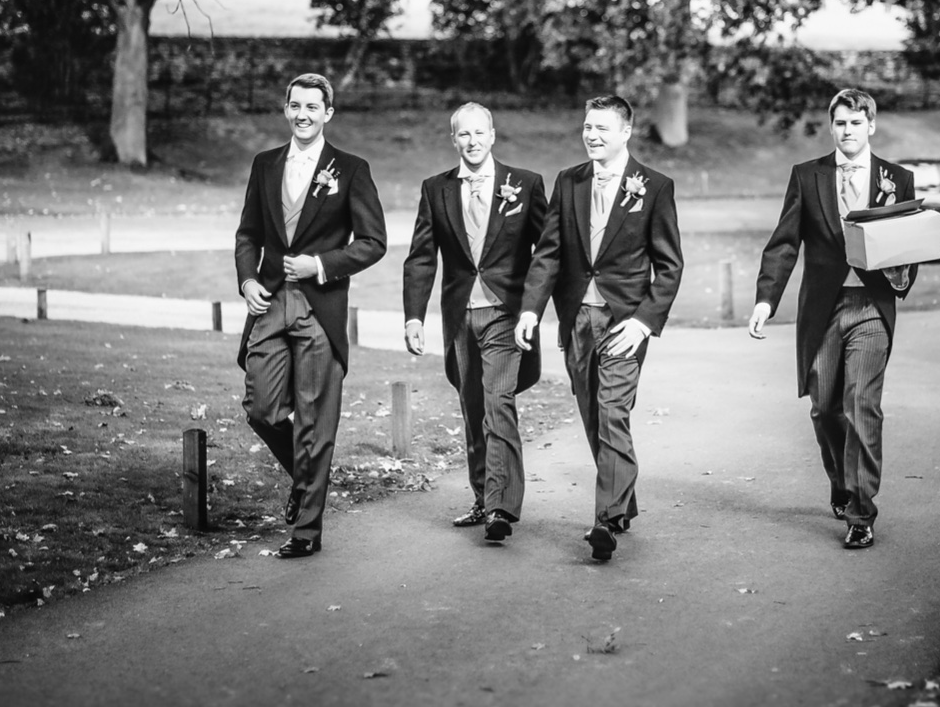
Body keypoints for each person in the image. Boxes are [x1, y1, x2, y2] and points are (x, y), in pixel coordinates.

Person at [748, 87, 920, 547]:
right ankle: (843, 485)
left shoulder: (897, 178)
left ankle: (861, 514)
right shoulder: (808, 176)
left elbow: (908, 245)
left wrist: (902, 274)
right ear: (832, 126)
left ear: (871, 126)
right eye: (840, 123)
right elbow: (784, 243)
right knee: (825, 408)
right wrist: (766, 300)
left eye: (855, 122)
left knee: (861, 402)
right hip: (822, 310)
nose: (847, 130)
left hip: (871, 308)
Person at [517, 93, 684, 561]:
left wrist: (645, 323)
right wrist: (531, 308)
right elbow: (548, 253)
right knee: (592, 413)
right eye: (587, 127)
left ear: (625, 132)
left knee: (612, 410)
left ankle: (605, 520)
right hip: (576, 318)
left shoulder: (654, 186)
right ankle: (623, 500)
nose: (591, 135)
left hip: (624, 321)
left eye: (602, 128)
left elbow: (669, 266)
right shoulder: (568, 182)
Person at [235, 73, 387, 558]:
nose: (303, 114)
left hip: (320, 310)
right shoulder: (264, 165)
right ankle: (305, 480)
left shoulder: (352, 168)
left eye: (312, 107)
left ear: (328, 113)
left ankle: (306, 532)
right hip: (271, 301)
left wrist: (320, 264)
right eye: (295, 105)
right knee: (261, 408)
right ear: (286, 109)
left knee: (316, 424)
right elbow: (247, 235)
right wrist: (247, 280)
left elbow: (373, 242)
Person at [402, 102, 549, 543]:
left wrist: (537, 308)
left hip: (505, 311)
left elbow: (549, 252)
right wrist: (413, 315)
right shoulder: (436, 189)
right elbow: (422, 258)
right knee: (472, 409)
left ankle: (501, 507)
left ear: (493, 134)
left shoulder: (525, 185)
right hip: (459, 317)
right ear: (454, 140)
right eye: (463, 135)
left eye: (479, 133)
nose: (472, 141)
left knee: (497, 401)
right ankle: (484, 498)